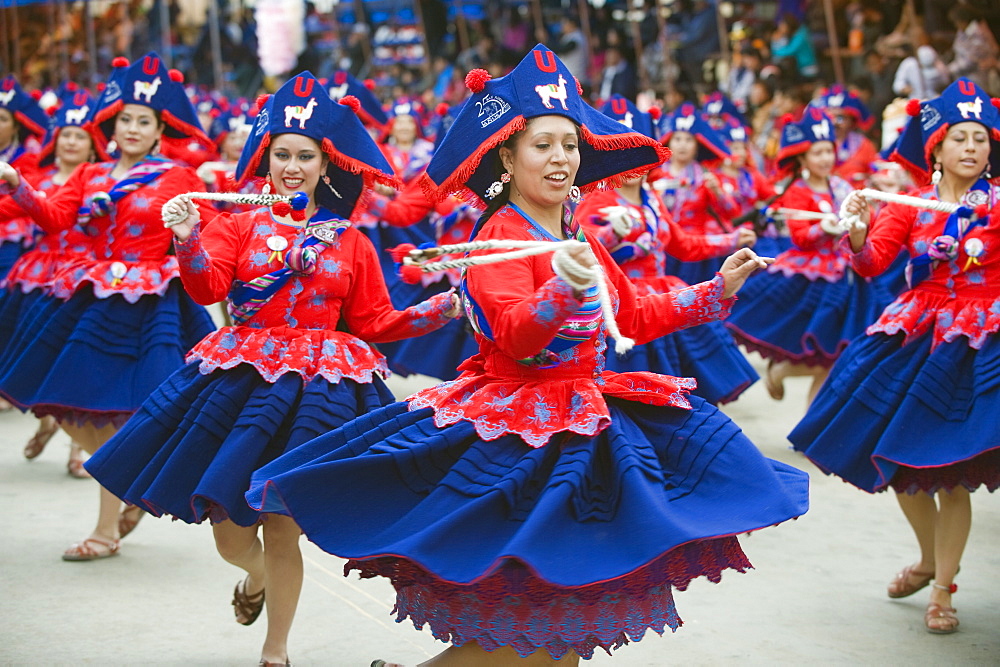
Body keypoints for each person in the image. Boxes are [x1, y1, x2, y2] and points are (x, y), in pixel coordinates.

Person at [245, 46, 809, 666]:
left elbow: (637, 315)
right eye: (543, 145)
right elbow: (513, 336)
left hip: (589, 424)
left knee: (569, 624)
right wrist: (561, 291)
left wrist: (714, 290)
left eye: (569, 144)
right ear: (507, 159)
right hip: (522, 436)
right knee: (535, 623)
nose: (561, 158)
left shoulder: (577, 233)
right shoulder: (497, 236)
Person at [84, 72, 460, 667]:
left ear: (325, 164)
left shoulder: (351, 242)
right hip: (242, 382)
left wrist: (439, 311)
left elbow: (373, 321)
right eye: (281, 153)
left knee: (283, 522)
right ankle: (252, 576)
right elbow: (208, 285)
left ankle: (275, 651)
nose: (291, 166)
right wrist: (187, 238)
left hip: (318, 392)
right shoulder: (238, 223)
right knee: (232, 534)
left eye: (304, 156)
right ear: (266, 156)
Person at [789, 78, 1000, 634]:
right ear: (937, 149)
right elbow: (872, 262)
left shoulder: (998, 207)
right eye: (961, 138)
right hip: (918, 338)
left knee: (952, 472)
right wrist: (857, 232)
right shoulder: (909, 205)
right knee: (903, 466)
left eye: (981, 138)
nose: (972, 148)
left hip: (978, 341)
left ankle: (942, 589)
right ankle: (929, 558)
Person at [0, 53, 217, 560]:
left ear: (160, 130)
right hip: (90, 299)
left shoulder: (178, 176)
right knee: (71, 405)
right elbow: (54, 219)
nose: (134, 127)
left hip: (150, 306)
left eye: (145, 121)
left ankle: (105, 530)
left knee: (123, 414)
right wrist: (19, 185)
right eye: (126, 119)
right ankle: (129, 480)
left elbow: (204, 232)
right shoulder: (90, 175)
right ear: (112, 125)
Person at [575, 95, 759, 405]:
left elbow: (683, 245)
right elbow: (580, 254)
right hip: (626, 305)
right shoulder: (596, 200)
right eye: (620, 150)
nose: (631, 159)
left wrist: (732, 241)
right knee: (635, 400)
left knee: (690, 396)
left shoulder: (651, 198)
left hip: (662, 298)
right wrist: (613, 237)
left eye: (637, 149)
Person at [725, 108, 896, 405]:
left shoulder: (843, 187)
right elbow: (800, 237)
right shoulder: (797, 191)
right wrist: (822, 227)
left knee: (836, 355)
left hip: (848, 277)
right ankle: (782, 374)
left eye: (829, 150)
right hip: (813, 277)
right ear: (802, 157)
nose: (825, 158)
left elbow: (864, 221)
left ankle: (803, 416)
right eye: (817, 152)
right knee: (824, 352)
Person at [0, 87, 105, 476]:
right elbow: (8, 208)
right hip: (40, 278)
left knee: (77, 361)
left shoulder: (102, 180)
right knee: (43, 356)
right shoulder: (37, 177)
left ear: (92, 143)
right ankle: (50, 420)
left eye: (80, 136)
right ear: (54, 141)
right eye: (65, 135)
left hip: (84, 277)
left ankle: (77, 450)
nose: (72, 142)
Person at [652, 103, 742, 286]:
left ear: (697, 145)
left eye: (688, 140)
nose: (682, 145)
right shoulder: (654, 174)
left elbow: (732, 213)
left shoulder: (706, 176)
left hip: (694, 253)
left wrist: (717, 191)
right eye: (678, 139)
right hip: (663, 247)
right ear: (669, 141)